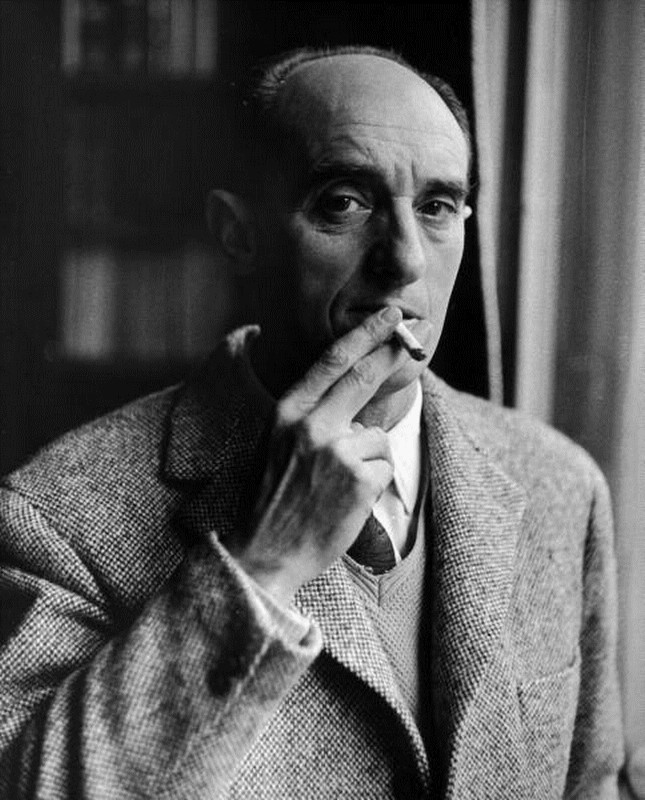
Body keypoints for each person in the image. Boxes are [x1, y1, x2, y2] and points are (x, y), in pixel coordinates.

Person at [0, 45, 623, 799]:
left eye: (435, 207)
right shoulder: (56, 516)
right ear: (237, 233)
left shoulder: (560, 485)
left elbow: (590, 783)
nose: (405, 262)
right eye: (344, 203)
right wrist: (266, 564)